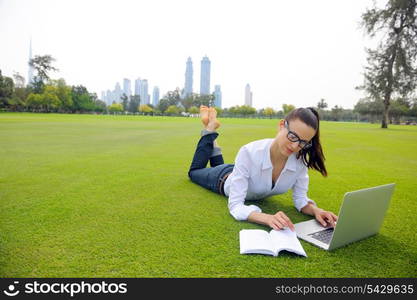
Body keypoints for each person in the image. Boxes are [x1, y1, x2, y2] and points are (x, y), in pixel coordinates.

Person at [188, 106, 338, 231]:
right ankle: (209, 129)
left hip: (239, 172)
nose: (295, 146)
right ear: (281, 126)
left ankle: (212, 140)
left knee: (225, 167)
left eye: (303, 142)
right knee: (194, 172)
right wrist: (267, 218)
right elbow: (235, 206)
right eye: (292, 136)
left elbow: (301, 200)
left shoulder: (299, 163)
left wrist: (317, 211)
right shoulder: (249, 151)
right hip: (221, 179)